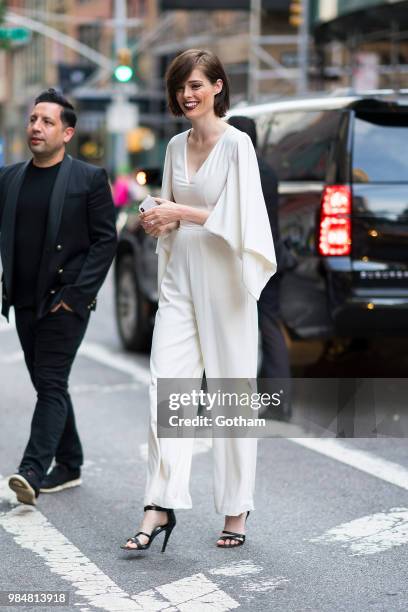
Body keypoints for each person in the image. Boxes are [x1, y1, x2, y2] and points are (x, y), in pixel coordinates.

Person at [121, 49, 276, 552]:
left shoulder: (238, 146)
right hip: (181, 279)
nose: (186, 94)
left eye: (195, 85)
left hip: (225, 281)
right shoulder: (172, 147)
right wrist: (156, 218)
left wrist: (178, 211)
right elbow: (171, 215)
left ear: (217, 87)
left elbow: (242, 220)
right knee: (164, 389)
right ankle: (158, 503)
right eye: (179, 86)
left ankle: (235, 509)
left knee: (232, 397)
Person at [0, 89, 117, 505]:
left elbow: (106, 242)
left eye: (47, 122)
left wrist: (76, 295)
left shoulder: (88, 179)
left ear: (66, 132)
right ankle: (70, 462)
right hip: (24, 302)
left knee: (49, 382)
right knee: (48, 384)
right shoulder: (10, 178)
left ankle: (32, 469)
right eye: (33, 119)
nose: (36, 127)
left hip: (64, 301)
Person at [228, 116, 291, 420]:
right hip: (271, 257)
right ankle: (280, 404)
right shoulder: (268, 170)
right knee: (269, 326)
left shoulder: (235, 170)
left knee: (222, 326)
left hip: (240, 259)